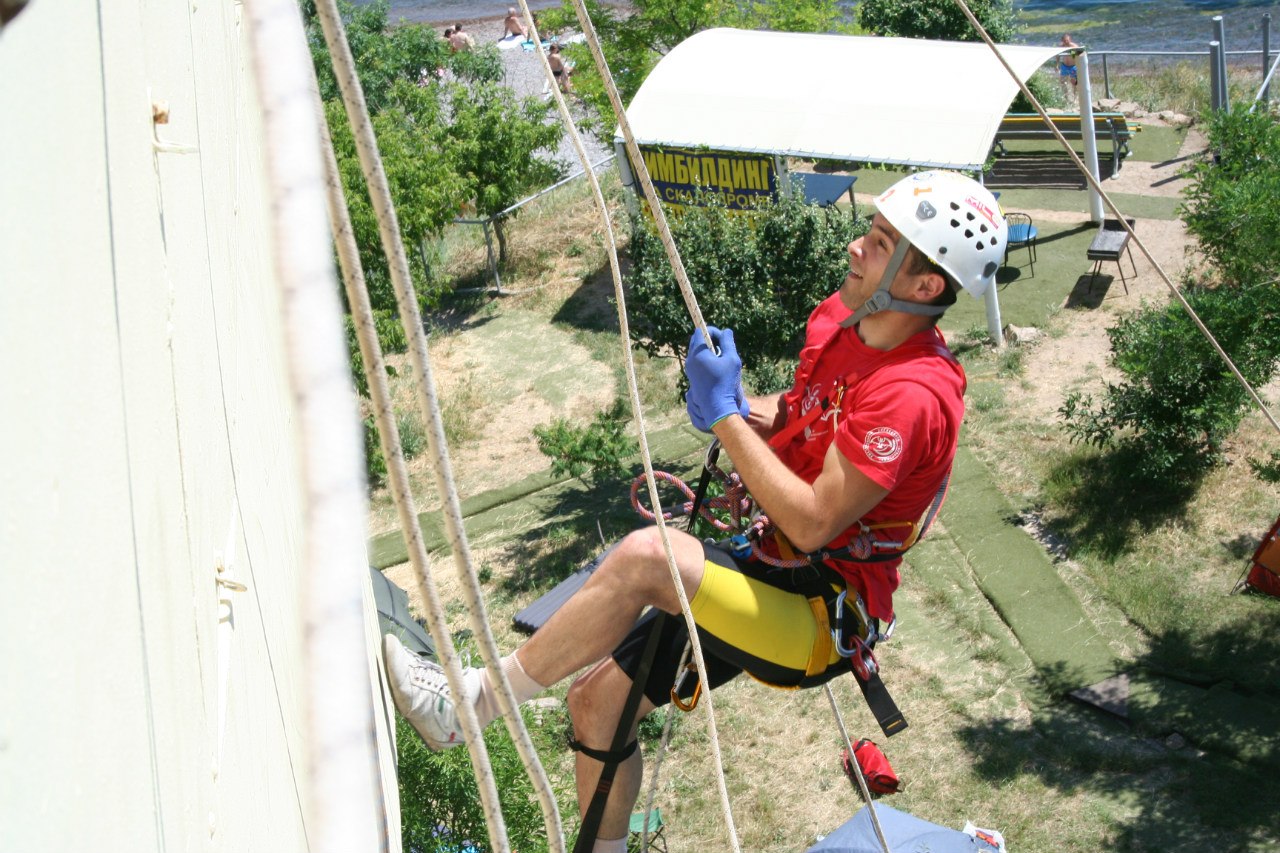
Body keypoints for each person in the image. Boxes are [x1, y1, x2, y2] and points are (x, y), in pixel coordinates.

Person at [383, 170, 1007, 853]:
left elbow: (812, 521)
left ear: (925, 287)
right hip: (772, 569)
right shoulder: (841, 318)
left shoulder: (914, 394)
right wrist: (743, 409)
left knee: (650, 557)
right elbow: (802, 415)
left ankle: (470, 707)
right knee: (596, 704)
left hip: (820, 613)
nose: (858, 247)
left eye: (883, 244)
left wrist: (727, 421)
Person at [1058, 34, 1080, 108]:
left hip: (1073, 66)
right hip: (1064, 66)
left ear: (1070, 40)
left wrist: (1071, 52)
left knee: (1074, 83)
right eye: (1064, 41)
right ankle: (1066, 99)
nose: (1066, 42)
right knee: (1063, 82)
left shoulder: (1074, 46)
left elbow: (1080, 53)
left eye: (1067, 40)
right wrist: (1057, 64)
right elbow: (1057, 55)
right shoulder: (1061, 47)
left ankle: (1075, 98)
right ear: (1062, 41)